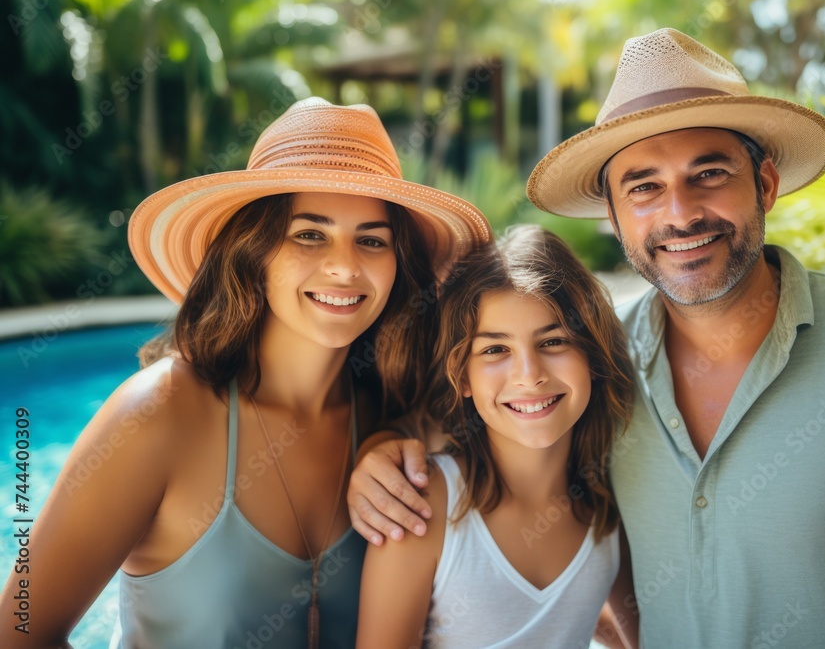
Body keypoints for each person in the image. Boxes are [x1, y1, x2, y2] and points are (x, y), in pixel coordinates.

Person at [347, 29, 825, 648]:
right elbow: (496, 417)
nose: (681, 213)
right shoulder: (599, 360)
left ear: (764, 184)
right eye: (644, 187)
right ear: (613, 215)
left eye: (708, 173)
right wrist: (383, 448)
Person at [0, 97, 490, 649]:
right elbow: (17, 632)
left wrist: (392, 436)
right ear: (253, 253)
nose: (345, 265)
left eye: (372, 240)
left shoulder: (396, 412)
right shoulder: (158, 415)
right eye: (309, 233)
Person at [355, 225, 637, 648]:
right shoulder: (422, 505)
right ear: (462, 377)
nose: (529, 375)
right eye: (494, 350)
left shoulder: (609, 507)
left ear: (593, 357)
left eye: (554, 341)